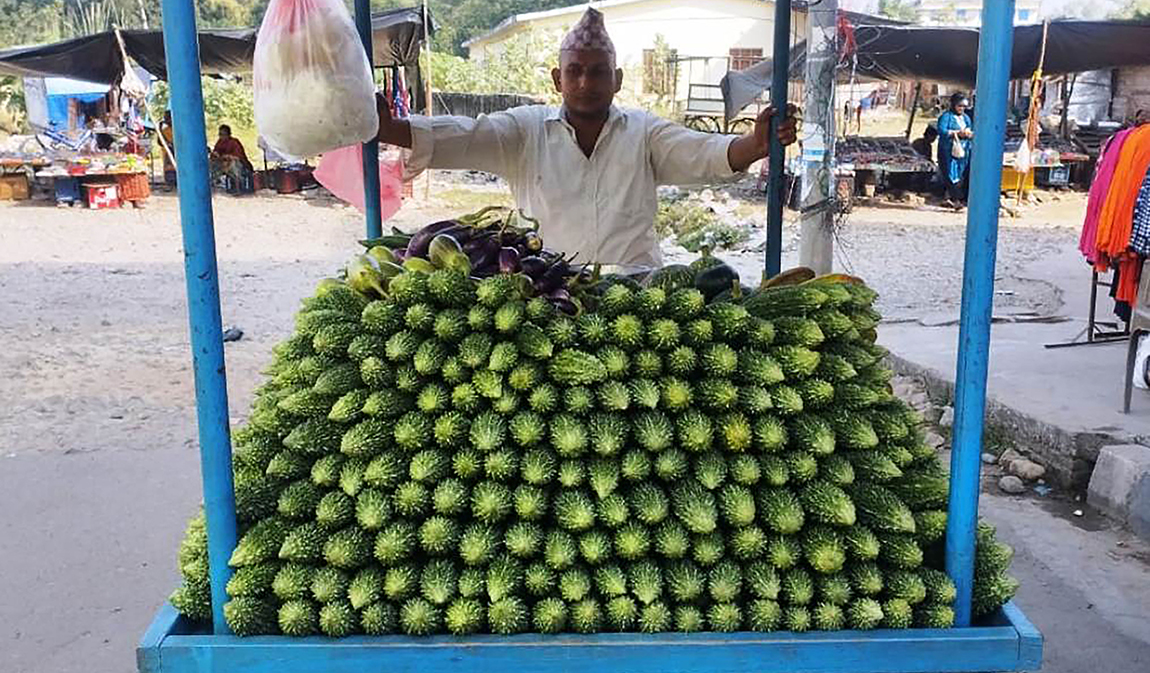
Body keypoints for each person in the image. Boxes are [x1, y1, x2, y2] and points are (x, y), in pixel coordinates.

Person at [375, 8, 798, 268]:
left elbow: (702, 152)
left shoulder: (644, 132)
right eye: (574, 71)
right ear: (557, 79)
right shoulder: (524, 131)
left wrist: (755, 145)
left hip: (636, 290)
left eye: (598, 72)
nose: (585, 82)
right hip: (548, 290)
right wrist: (393, 129)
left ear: (617, 79)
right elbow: (467, 135)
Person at [937, 92, 973, 210]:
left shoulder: (966, 118)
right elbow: (942, 131)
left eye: (964, 106)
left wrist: (968, 134)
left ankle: (957, 198)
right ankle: (954, 199)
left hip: (963, 151)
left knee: (961, 174)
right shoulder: (946, 117)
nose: (961, 109)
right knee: (950, 173)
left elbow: (970, 129)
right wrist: (956, 133)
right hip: (948, 151)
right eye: (959, 106)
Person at [211, 124, 254, 193]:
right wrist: (215, 155)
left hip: (240, 165)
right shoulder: (220, 142)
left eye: (223, 134)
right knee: (212, 164)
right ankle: (213, 182)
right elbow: (215, 154)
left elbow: (238, 157)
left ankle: (239, 186)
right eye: (220, 134)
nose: (221, 136)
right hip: (224, 164)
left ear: (228, 135)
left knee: (233, 164)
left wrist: (226, 157)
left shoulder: (234, 142)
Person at [160, 110, 177, 187]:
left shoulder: (177, 129)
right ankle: (170, 181)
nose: (167, 120)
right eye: (166, 118)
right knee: (169, 167)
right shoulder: (165, 130)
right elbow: (160, 141)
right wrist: (160, 128)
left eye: (168, 118)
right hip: (167, 152)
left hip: (176, 151)